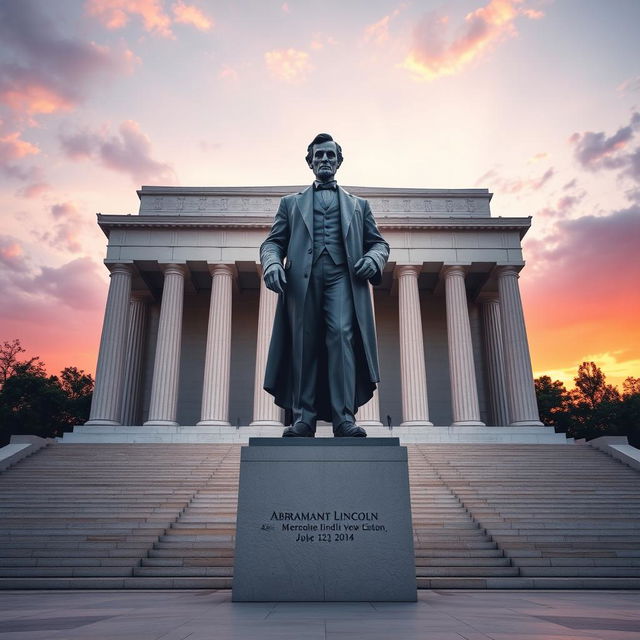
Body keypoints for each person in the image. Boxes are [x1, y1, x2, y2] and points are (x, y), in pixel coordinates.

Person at [260, 133, 389, 437]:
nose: (325, 160)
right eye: (319, 156)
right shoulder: (290, 204)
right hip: (302, 283)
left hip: (342, 278)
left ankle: (343, 417)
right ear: (310, 162)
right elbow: (273, 242)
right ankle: (304, 417)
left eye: (330, 155)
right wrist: (272, 263)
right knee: (304, 343)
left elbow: (379, 244)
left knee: (341, 336)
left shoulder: (359, 206)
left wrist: (374, 258)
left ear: (339, 161)